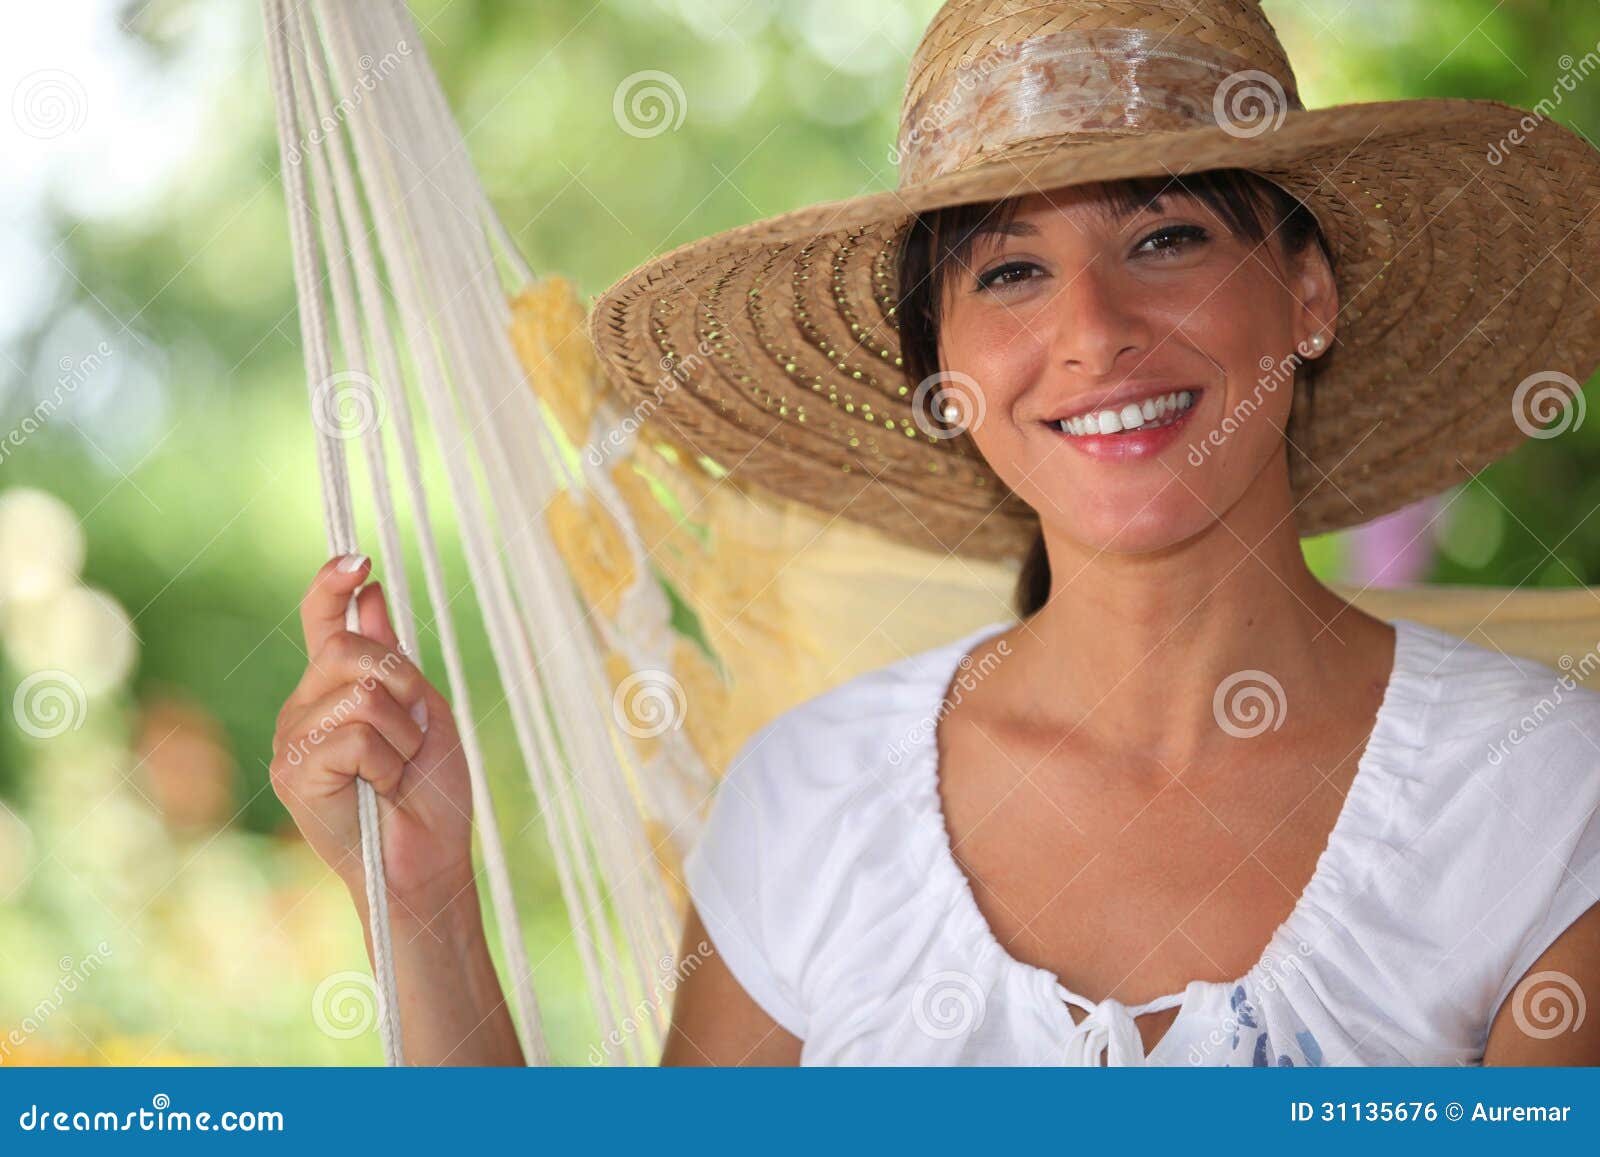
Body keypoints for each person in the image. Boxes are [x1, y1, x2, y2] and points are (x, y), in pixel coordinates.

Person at [271, 0, 1600, 1065]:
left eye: (1167, 237)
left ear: (1307, 295)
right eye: (1011, 270)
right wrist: (426, 905)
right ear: (946, 376)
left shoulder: (1539, 792)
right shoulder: (809, 801)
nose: (1092, 331)